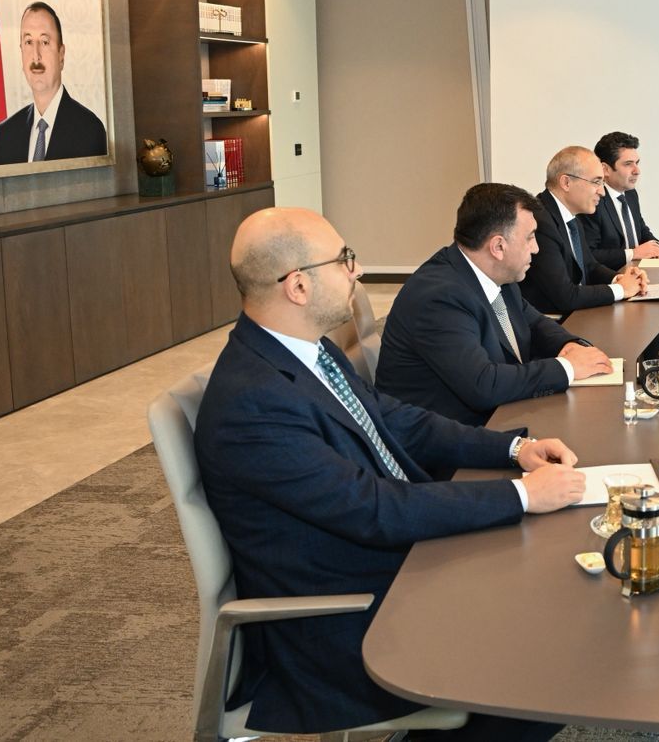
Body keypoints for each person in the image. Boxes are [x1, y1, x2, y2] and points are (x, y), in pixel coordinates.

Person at [193, 206, 582, 740]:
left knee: (554, 589)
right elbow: (373, 508)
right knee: (551, 661)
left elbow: (399, 421)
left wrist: (515, 450)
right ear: (298, 286)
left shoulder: (307, 351)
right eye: (344, 259)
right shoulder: (253, 402)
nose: (356, 271)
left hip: (393, 563)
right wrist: (521, 496)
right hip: (346, 622)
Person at [377, 183, 616, 425]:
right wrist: (567, 367)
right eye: (530, 238)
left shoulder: (497, 273)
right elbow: (484, 385)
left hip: (500, 414)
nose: (536, 248)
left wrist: (570, 345)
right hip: (452, 433)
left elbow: (534, 322)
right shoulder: (439, 298)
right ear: (498, 247)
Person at [520, 146, 648, 315]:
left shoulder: (570, 215)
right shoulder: (540, 223)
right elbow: (565, 296)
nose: (602, 192)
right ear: (566, 183)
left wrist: (621, 279)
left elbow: (589, 266)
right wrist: (621, 289)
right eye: (596, 182)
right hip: (558, 321)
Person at [0, 0, 108, 164]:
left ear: (61, 55)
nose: (36, 56)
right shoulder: (5, 134)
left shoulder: (90, 130)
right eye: (28, 42)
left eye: (45, 42)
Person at [586, 130, 659, 272]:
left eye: (637, 163)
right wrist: (633, 254)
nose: (637, 171)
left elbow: (641, 230)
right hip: (613, 277)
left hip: (640, 272)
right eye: (628, 164)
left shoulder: (630, 194)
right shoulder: (593, 201)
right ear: (605, 169)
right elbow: (590, 255)